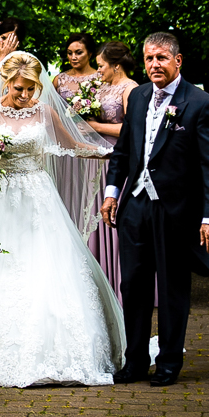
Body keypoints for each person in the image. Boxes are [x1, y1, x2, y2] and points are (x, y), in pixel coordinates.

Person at [0, 51, 127, 387]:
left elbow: (74, 144)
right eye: (19, 88)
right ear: (6, 82)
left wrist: (112, 151)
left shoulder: (44, 111)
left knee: (46, 264)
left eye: (31, 88)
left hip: (38, 196)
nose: (26, 95)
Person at [100, 32, 209, 386]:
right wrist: (112, 193)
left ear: (177, 61)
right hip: (135, 208)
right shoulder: (139, 97)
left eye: (161, 58)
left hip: (177, 212)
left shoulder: (201, 103)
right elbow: (124, 152)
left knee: (172, 289)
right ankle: (135, 362)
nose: (154, 65)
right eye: (149, 59)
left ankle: (170, 363)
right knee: (134, 287)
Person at [79, 41, 139, 301]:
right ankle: (103, 279)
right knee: (96, 218)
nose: (98, 70)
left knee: (116, 216)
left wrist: (96, 126)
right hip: (97, 158)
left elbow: (131, 129)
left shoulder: (131, 88)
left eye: (101, 66)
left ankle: (122, 279)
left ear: (116, 66)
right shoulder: (101, 87)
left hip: (118, 159)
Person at [50, 32, 101, 236]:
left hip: (92, 141)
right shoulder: (59, 80)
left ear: (90, 53)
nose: (73, 57)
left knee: (90, 192)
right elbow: (50, 111)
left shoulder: (100, 78)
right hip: (67, 145)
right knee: (68, 190)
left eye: (78, 52)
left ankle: (92, 238)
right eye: (70, 53)